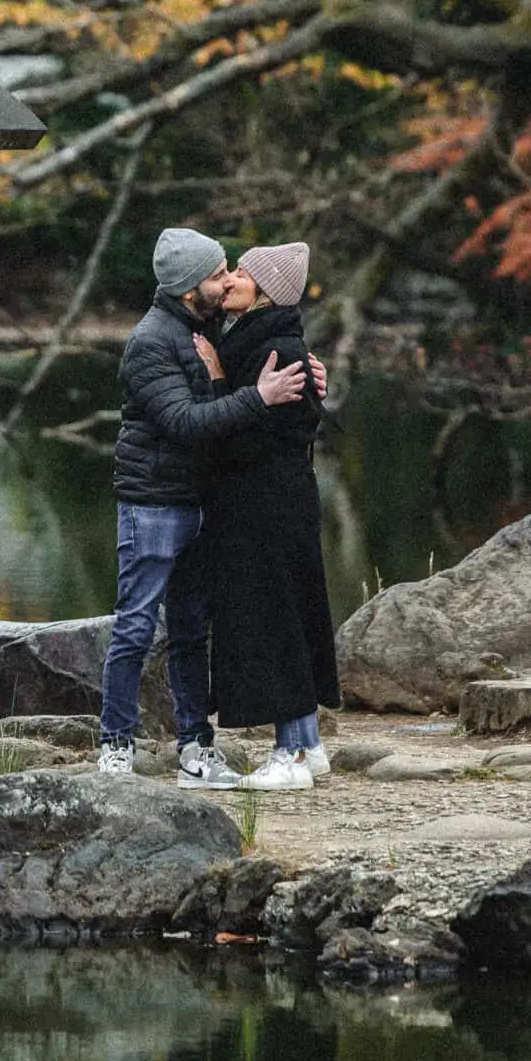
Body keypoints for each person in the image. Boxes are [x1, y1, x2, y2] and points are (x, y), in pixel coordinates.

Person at [98, 227, 310, 786]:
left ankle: (196, 748)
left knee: (192, 631)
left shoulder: (205, 323)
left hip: (200, 504)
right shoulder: (150, 343)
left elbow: (265, 340)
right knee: (136, 626)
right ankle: (115, 744)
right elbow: (186, 423)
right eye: (218, 274)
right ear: (192, 286)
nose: (228, 281)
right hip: (153, 505)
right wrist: (258, 398)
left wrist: (311, 379)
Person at [194, 242, 339, 791]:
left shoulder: (271, 349)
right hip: (276, 502)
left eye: (241, 274)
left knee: (275, 621)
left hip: (265, 506)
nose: (228, 280)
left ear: (267, 291)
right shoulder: (262, 341)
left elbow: (247, 439)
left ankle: (291, 757)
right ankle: (307, 743)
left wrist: (214, 384)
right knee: (288, 615)